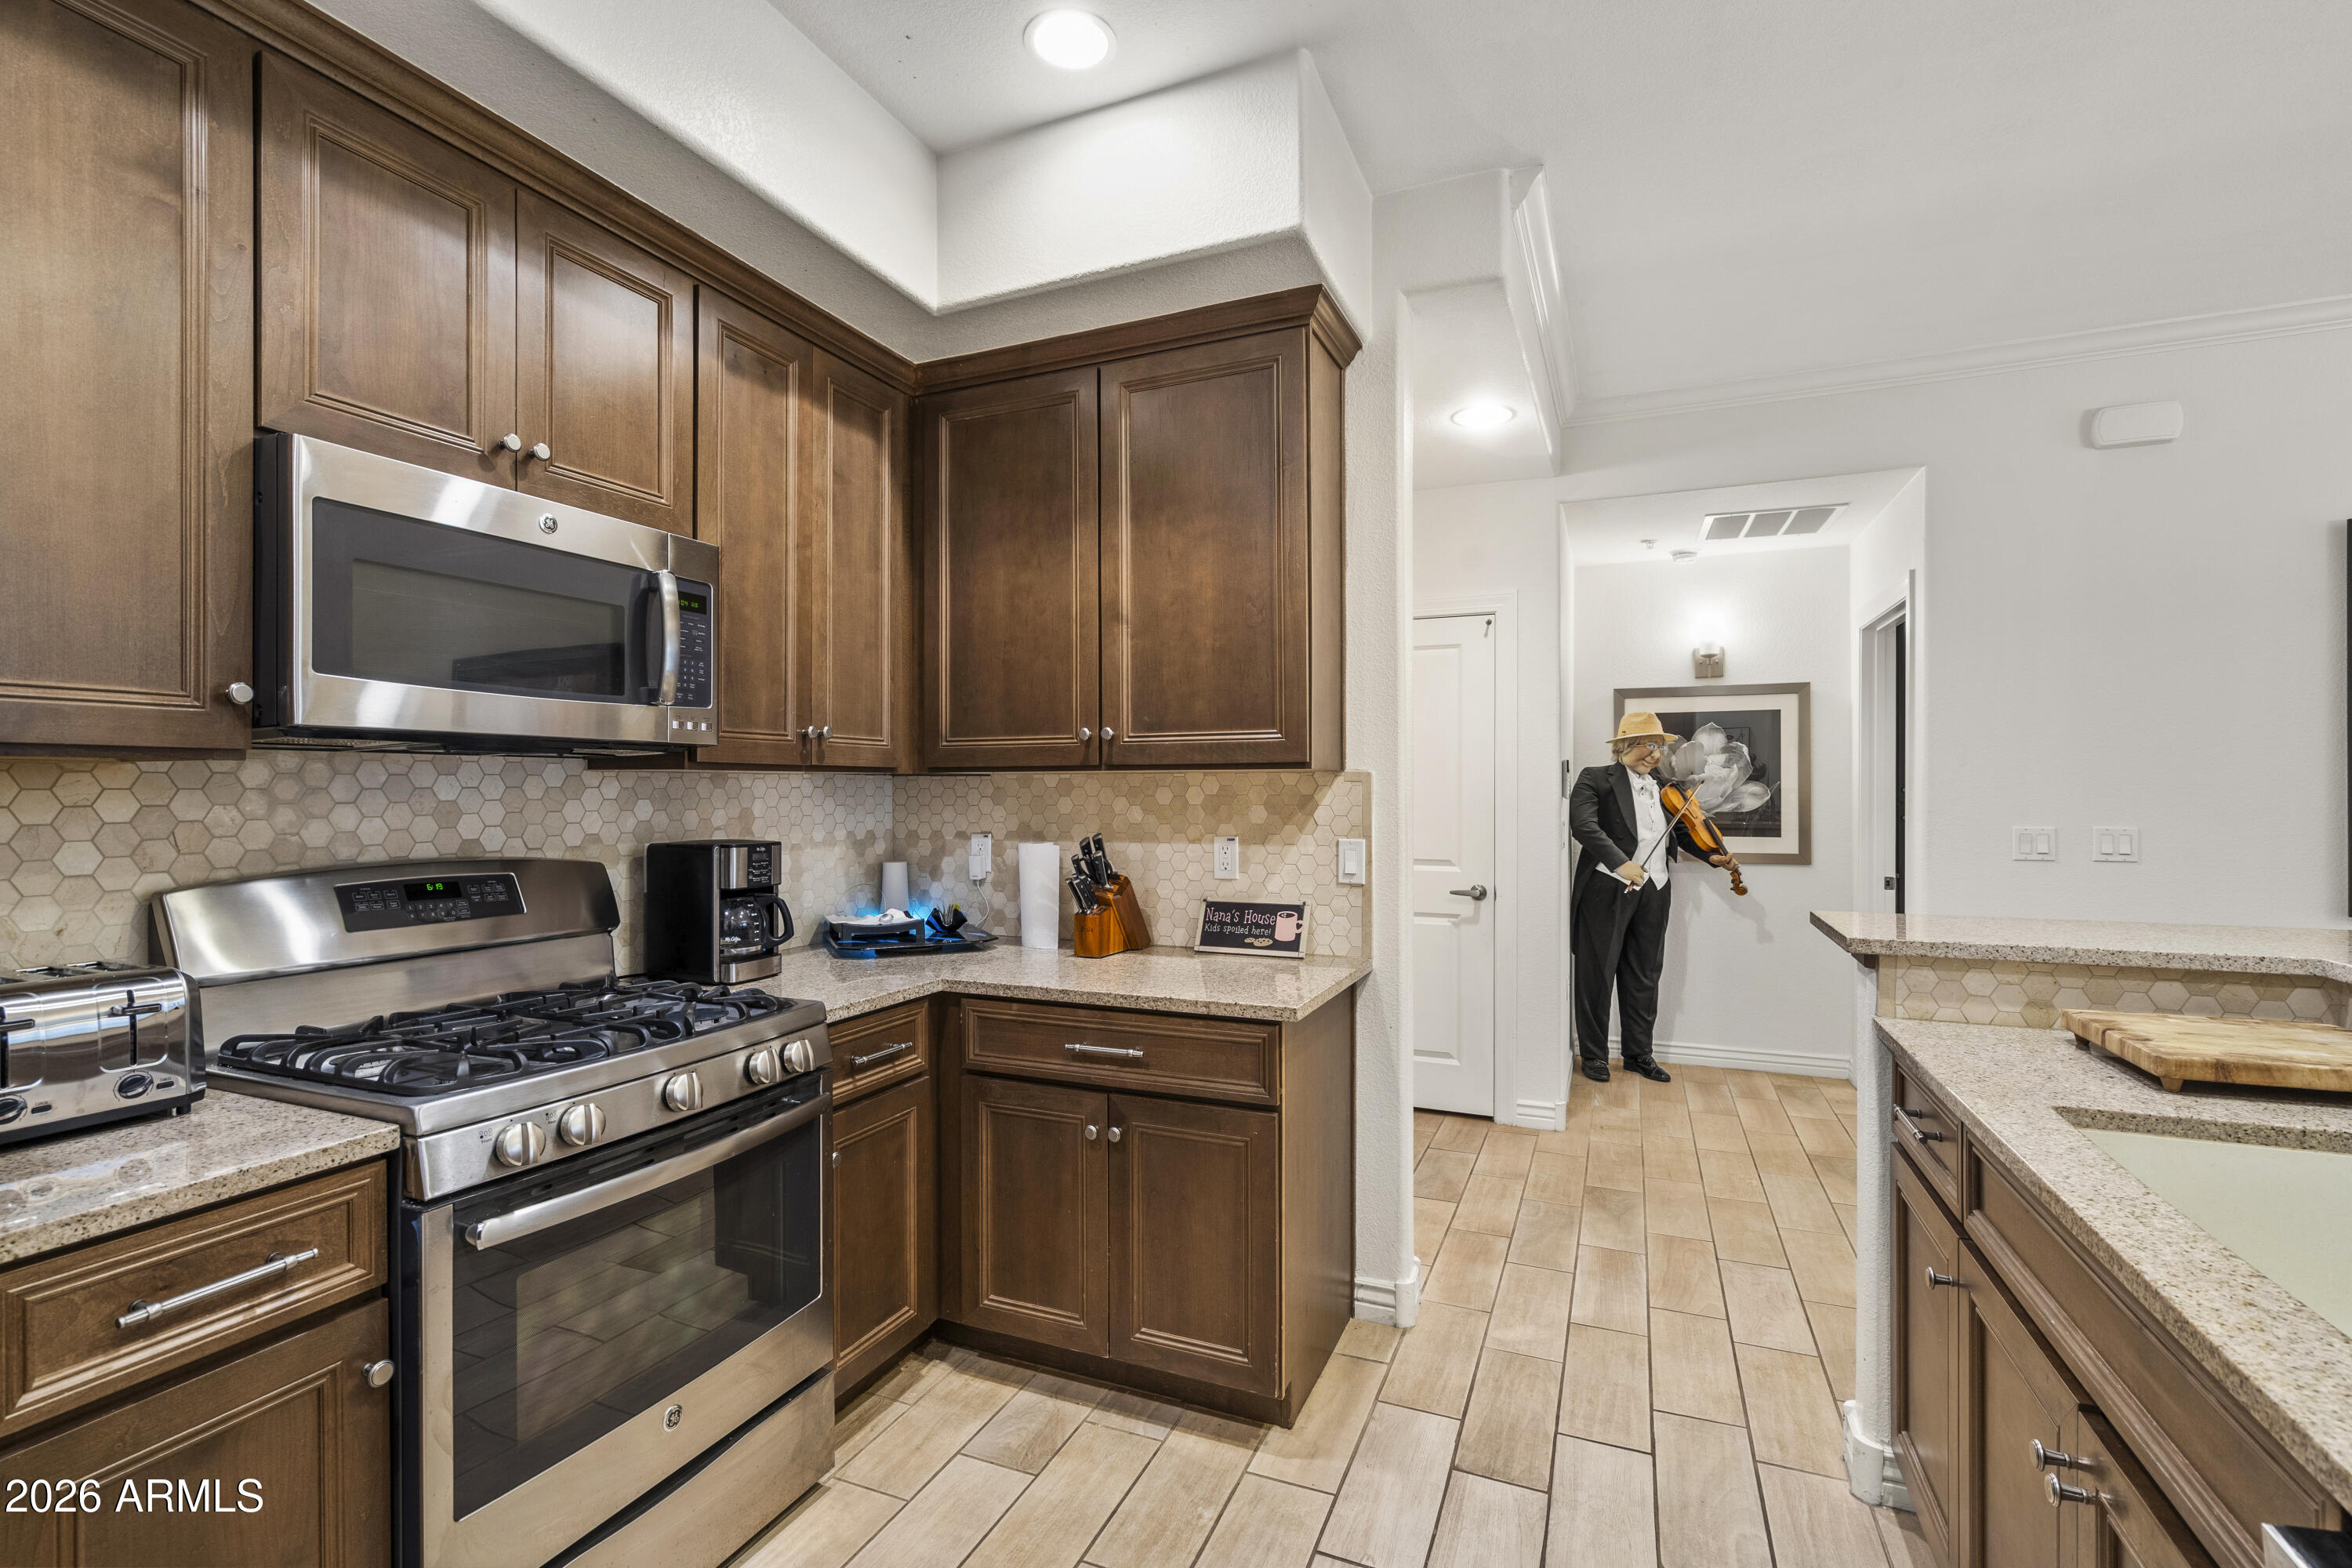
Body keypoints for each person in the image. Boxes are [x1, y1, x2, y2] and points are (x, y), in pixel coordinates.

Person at [1568, 711, 1740, 1083]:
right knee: (1597, 974)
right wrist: (1620, 863)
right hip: (1606, 889)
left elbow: (1682, 829)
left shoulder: (1662, 786)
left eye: (1660, 747)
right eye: (1649, 744)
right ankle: (1594, 1055)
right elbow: (1584, 826)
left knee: (1645, 975)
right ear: (1624, 745)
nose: (1655, 754)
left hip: (1656, 890)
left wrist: (1713, 857)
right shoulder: (1594, 778)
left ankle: (1638, 1054)